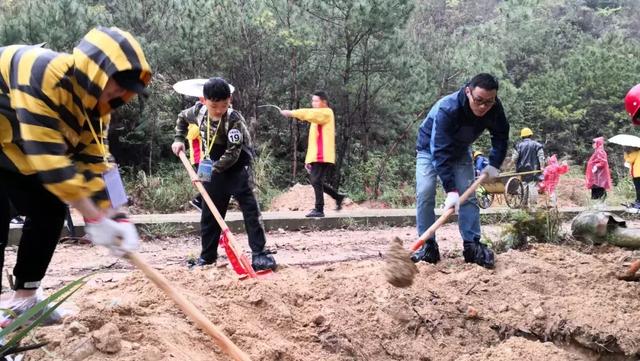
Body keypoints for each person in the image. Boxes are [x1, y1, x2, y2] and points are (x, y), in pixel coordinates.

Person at [0, 27, 151, 313]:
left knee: (50, 209)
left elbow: (98, 162)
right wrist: (95, 217)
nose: (119, 95)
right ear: (93, 71)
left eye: (126, 90)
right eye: (116, 85)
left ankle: (26, 301)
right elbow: (51, 162)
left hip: (13, 147)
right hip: (15, 142)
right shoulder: (42, 74)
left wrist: (118, 216)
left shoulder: (97, 108)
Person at [171, 77, 276, 271]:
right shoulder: (197, 112)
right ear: (204, 100)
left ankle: (259, 255)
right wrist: (178, 139)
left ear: (230, 100)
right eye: (214, 106)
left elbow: (233, 153)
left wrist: (210, 171)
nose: (219, 110)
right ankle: (207, 257)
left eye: (224, 105)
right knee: (210, 214)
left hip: (237, 167)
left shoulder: (234, 119)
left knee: (250, 209)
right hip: (211, 163)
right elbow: (181, 118)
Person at [414, 73, 509, 268]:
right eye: (479, 100)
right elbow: (438, 152)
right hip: (429, 149)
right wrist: (451, 190)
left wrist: (494, 163)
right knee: (425, 192)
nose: (483, 107)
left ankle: (472, 245)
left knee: (470, 197)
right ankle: (428, 246)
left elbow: (501, 135)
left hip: (460, 150)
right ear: (468, 92)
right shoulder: (448, 108)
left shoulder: (494, 107)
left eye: (489, 102)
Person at [280, 91, 346, 218]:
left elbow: (308, 113)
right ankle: (337, 197)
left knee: (315, 180)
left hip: (323, 154)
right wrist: (308, 159)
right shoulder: (317, 117)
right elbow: (314, 141)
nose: (313, 103)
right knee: (317, 181)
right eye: (313, 101)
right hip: (318, 155)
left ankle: (319, 209)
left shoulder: (326, 112)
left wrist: (291, 113)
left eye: (316, 101)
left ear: (324, 102)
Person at [512, 127, 545, 209]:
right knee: (532, 186)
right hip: (534, 170)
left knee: (523, 186)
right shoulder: (537, 145)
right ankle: (533, 206)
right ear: (530, 135)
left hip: (521, 170)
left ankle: (523, 205)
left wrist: (514, 165)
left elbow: (514, 158)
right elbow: (541, 157)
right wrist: (542, 167)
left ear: (522, 136)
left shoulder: (518, 145)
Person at [585, 137, 612, 203]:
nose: (592, 145)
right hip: (596, 177)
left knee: (599, 191)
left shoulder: (600, 151)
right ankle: (598, 206)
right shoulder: (597, 151)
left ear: (598, 143)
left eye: (594, 143)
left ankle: (600, 206)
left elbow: (603, 162)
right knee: (596, 190)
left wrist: (596, 166)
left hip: (599, 177)